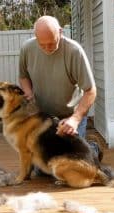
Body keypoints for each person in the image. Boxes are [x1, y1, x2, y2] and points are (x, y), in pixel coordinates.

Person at [19, 16, 101, 169]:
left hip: (70, 116)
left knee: (72, 164)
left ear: (61, 32)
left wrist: (75, 119)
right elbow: (23, 76)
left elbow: (91, 90)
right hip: (43, 117)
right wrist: (28, 92)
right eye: (42, 45)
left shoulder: (74, 51)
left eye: (52, 43)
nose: (47, 49)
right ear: (35, 37)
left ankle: (93, 149)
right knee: (44, 169)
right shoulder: (27, 48)